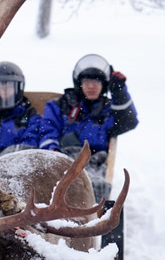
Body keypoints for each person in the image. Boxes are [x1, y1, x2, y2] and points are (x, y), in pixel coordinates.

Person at [39, 54, 138, 202]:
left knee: (94, 187)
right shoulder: (60, 105)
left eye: (97, 80)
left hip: (95, 163)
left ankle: (92, 219)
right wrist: (53, 153)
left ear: (104, 84)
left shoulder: (108, 109)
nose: (91, 85)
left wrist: (119, 92)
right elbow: (47, 132)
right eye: (86, 80)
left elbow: (129, 121)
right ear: (79, 82)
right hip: (63, 159)